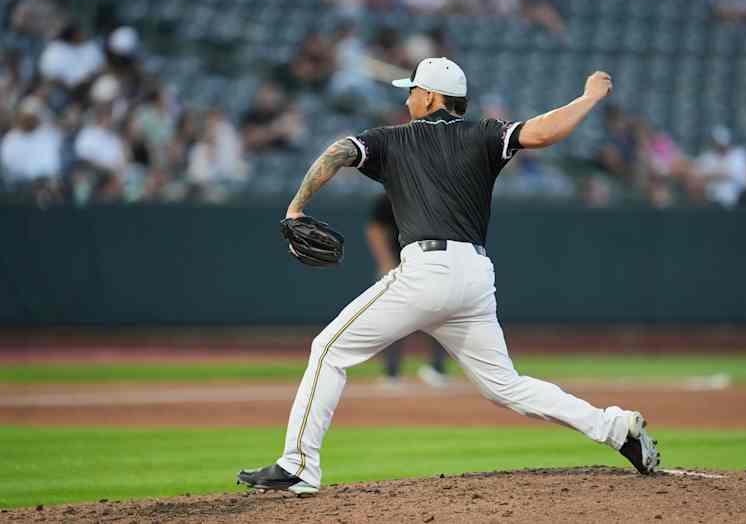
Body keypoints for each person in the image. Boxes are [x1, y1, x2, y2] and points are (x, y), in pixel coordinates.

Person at [237, 57, 660, 495]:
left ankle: (298, 465)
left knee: (328, 350)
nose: (407, 99)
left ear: (429, 96)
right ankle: (614, 428)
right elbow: (543, 131)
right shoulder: (485, 134)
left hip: (426, 271)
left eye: (411, 90)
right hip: (474, 277)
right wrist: (589, 97)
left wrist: (296, 207)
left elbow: (339, 151)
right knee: (506, 386)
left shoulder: (392, 139)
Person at [367, 193, 448, 388]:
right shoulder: (390, 195)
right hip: (398, 264)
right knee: (391, 320)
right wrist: (386, 263)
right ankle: (391, 372)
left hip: (428, 264)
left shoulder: (434, 195)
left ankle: (437, 368)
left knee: (437, 315)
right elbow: (375, 230)